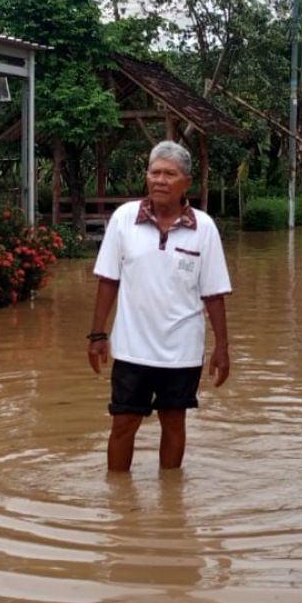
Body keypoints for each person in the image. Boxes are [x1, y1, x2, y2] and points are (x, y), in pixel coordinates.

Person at [87, 141, 232, 473]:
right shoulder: (124, 219)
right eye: (155, 173)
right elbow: (108, 280)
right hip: (131, 349)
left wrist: (221, 347)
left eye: (170, 174)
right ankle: (119, 505)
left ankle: (171, 503)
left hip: (182, 350)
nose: (160, 180)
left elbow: (213, 294)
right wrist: (97, 335)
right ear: (146, 177)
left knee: (174, 422)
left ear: (187, 183)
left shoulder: (204, 228)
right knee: (123, 425)